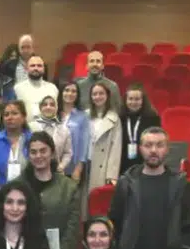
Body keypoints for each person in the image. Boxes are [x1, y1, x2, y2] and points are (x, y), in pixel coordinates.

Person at [109, 127, 187, 249]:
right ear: (140, 148)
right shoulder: (126, 182)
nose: (153, 150)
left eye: (159, 145)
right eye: (148, 145)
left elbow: (185, 222)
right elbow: (116, 219)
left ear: (167, 149)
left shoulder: (180, 183)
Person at [21, 131, 79, 249]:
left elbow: (72, 229)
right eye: (33, 152)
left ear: (52, 153)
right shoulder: (18, 186)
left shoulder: (69, 188)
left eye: (43, 151)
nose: (38, 156)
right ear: (28, 156)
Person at [85, 83, 122, 214]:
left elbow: (116, 147)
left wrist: (111, 175)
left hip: (102, 166)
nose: (98, 97)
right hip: (85, 164)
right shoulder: (85, 116)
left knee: (97, 205)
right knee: (83, 205)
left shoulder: (114, 118)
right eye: (94, 94)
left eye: (101, 93)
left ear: (107, 96)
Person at [0, 100, 32, 188]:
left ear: (24, 117)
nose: (10, 117)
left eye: (14, 113)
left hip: (28, 192)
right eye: (6, 115)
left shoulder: (33, 140)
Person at [118, 84, 161, 176]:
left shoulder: (152, 118)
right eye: (130, 99)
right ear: (125, 100)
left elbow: (157, 142)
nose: (133, 102)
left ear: (143, 101)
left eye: (137, 99)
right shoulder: (120, 117)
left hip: (145, 162)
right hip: (122, 163)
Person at [56, 80, 92, 181]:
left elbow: (84, 144)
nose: (70, 93)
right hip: (54, 165)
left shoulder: (83, 116)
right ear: (61, 92)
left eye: (73, 91)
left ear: (77, 95)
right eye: (67, 90)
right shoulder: (54, 114)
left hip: (73, 167)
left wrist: (79, 168)